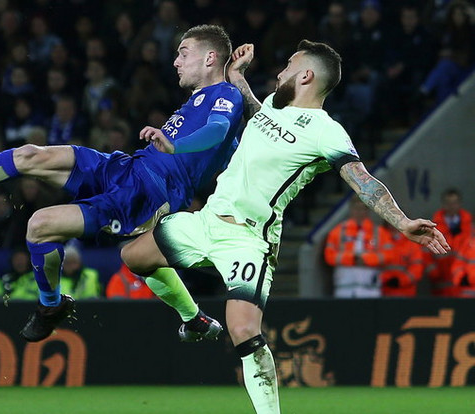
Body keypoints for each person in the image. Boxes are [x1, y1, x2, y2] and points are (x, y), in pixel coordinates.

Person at [120, 40, 450, 414]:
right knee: (133, 255)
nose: (279, 73)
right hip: (206, 221)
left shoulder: (327, 131)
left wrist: (403, 221)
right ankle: (194, 320)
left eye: (288, 66)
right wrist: (236, 75)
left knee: (243, 330)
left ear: (306, 75)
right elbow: (259, 119)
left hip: (247, 239)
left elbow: (364, 180)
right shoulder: (274, 108)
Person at [0, 24, 243, 343]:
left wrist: (174, 142)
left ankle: (51, 306)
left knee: (39, 226)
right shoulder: (200, 99)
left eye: (183, 52)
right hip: (127, 167)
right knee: (31, 155)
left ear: (210, 58)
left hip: (147, 194)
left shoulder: (224, 95)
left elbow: (218, 130)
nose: (176, 60)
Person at [324, 195, 393, 298]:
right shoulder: (337, 231)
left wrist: (365, 259)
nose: (360, 212)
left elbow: (389, 255)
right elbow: (329, 256)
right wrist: (352, 259)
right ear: (351, 209)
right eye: (357, 208)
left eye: (363, 209)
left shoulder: (379, 232)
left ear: (368, 211)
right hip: (344, 288)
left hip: (371, 289)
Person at [425, 188, 472, 296]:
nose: (451, 206)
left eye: (454, 203)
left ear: (459, 204)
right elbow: (425, 251)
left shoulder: (469, 226)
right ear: (443, 204)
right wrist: (433, 272)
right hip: (441, 283)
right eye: (448, 203)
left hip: (464, 284)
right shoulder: (433, 226)